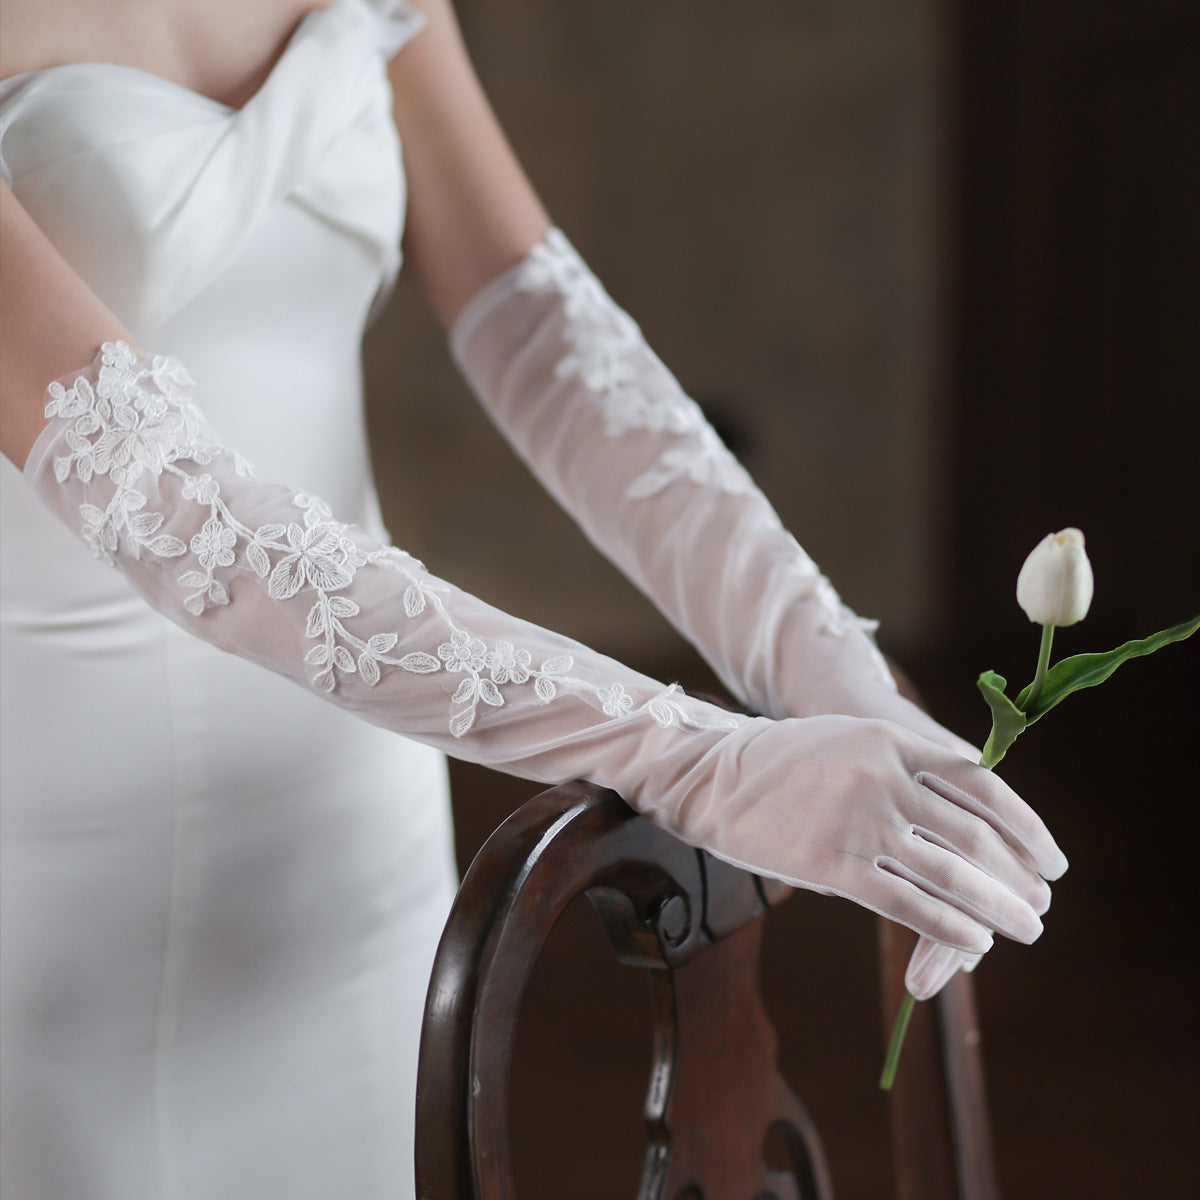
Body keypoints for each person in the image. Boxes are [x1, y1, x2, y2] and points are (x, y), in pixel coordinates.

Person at [0, 1, 1067, 1197]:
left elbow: (547, 336)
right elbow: (169, 501)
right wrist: (698, 759)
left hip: (354, 811)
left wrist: (826, 668)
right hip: (56, 836)